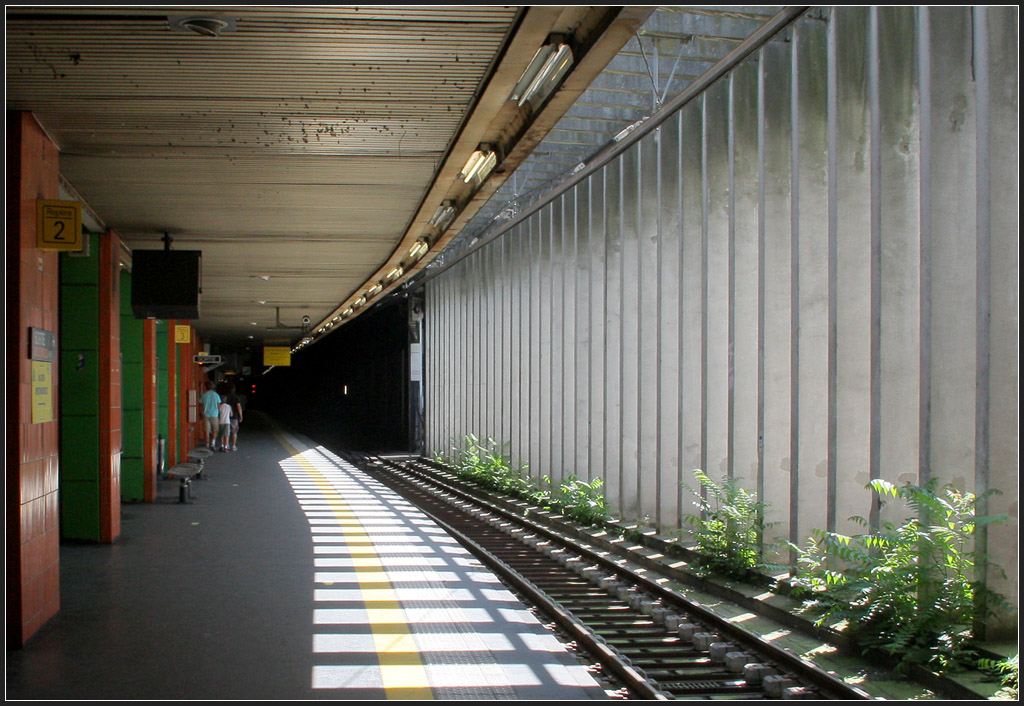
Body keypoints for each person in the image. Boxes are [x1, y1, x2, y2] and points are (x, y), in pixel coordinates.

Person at [200, 380, 222, 449]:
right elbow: (219, 406)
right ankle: (212, 443)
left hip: (206, 414)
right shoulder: (216, 395)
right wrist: (219, 412)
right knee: (215, 430)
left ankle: (207, 444)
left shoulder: (204, 395)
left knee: (206, 430)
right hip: (214, 414)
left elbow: (201, 404)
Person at [224, 382, 243, 451]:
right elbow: (239, 407)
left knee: (227, 432)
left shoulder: (225, 396)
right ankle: (233, 446)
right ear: (234, 389)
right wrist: (241, 416)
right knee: (234, 432)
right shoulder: (236, 397)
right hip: (234, 417)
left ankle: (227, 445)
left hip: (226, 416)